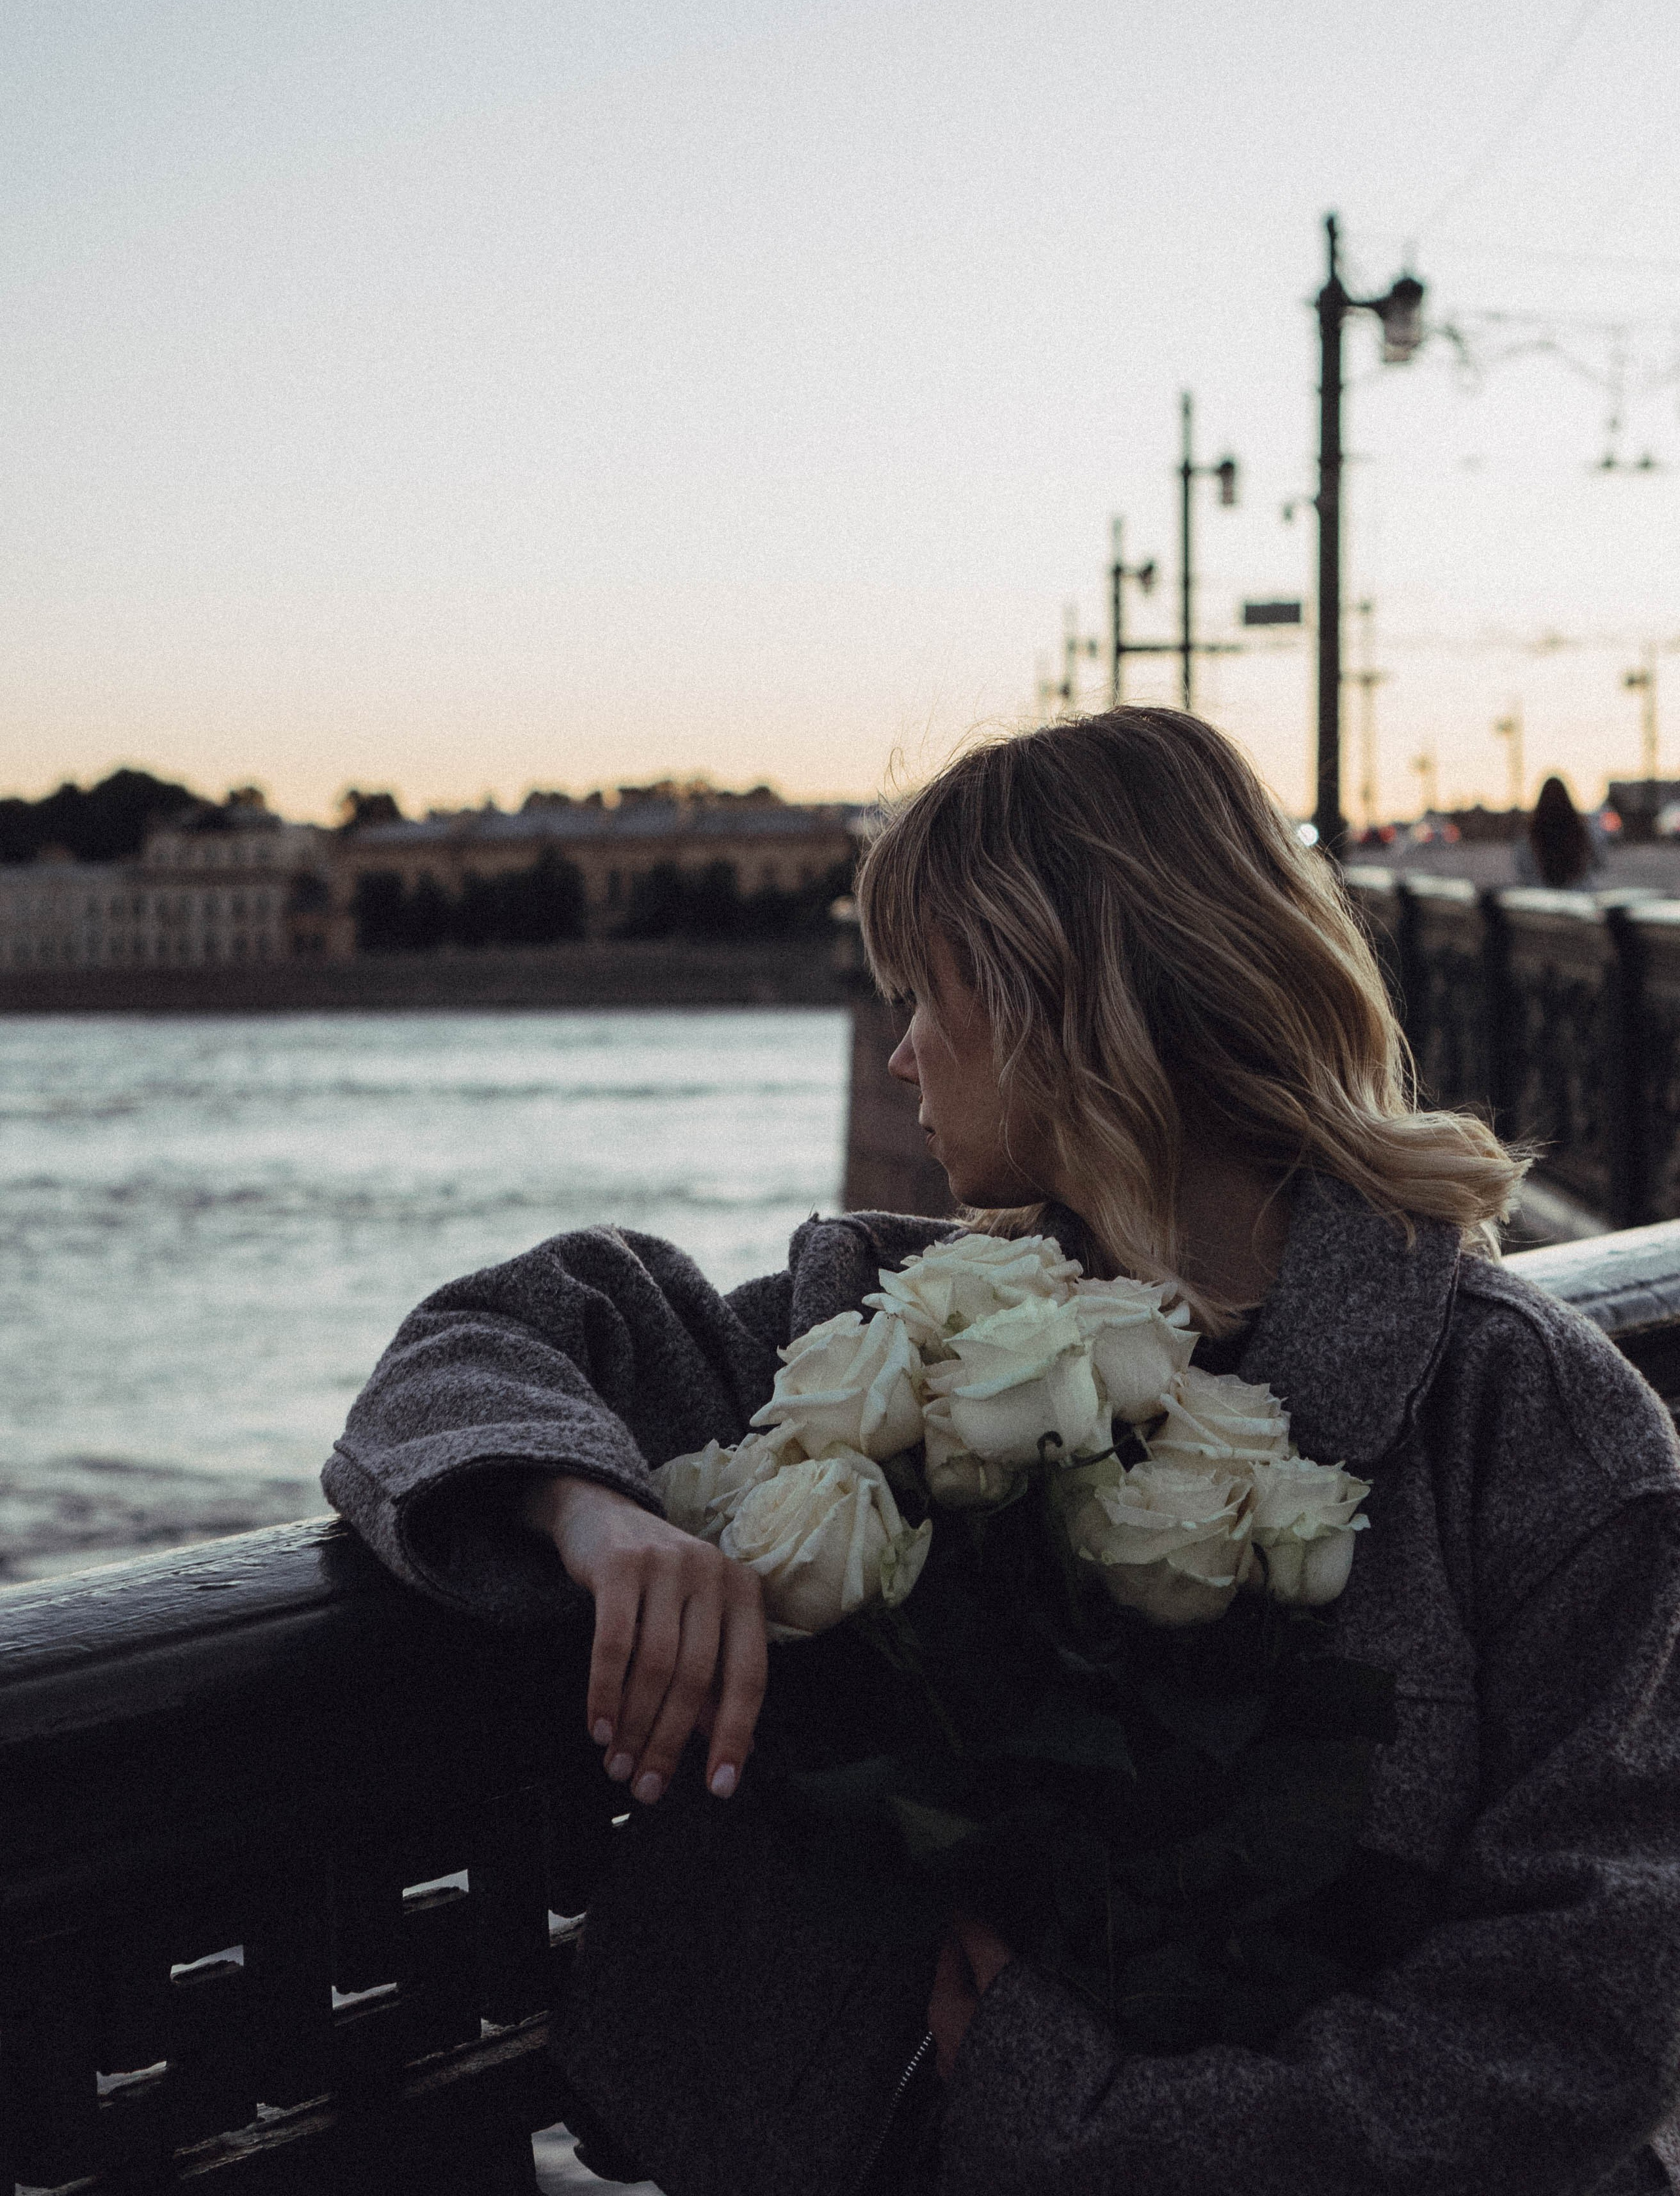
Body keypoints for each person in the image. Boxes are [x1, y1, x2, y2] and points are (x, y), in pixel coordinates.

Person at [324, 708, 1680, 2196]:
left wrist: (1082, 2122)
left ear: (1062, 990)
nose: (896, 1052)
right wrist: (593, 1514)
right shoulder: (879, 1323)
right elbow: (479, 1342)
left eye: (922, 992)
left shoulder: (1522, 1419)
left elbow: (1584, 2006)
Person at [1514, 773, 1603, 890]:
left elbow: (1523, 869)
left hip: (1543, 899)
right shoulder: (1583, 831)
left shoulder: (1530, 835)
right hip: (1579, 898)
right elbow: (1599, 862)